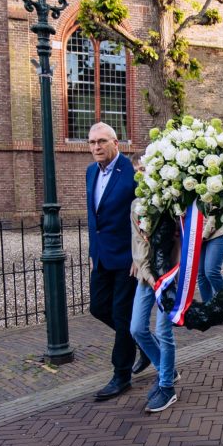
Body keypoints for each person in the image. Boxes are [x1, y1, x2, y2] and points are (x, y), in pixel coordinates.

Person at [85, 122, 139, 401]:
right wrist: (93, 254)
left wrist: (140, 256)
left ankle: (122, 374)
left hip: (127, 259)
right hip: (102, 257)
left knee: (121, 314)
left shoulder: (132, 173)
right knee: (97, 307)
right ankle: (139, 341)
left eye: (102, 141)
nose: (96, 147)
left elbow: (143, 217)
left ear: (116, 143)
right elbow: (93, 218)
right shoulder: (90, 172)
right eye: (92, 142)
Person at [128, 155, 179, 413]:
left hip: (168, 275)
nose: (141, 173)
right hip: (147, 277)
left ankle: (167, 387)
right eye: (137, 170)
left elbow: (180, 242)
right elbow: (138, 243)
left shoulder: (170, 203)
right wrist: (146, 273)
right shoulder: (136, 205)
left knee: (163, 331)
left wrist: (171, 273)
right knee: (137, 328)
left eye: (145, 169)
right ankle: (166, 368)